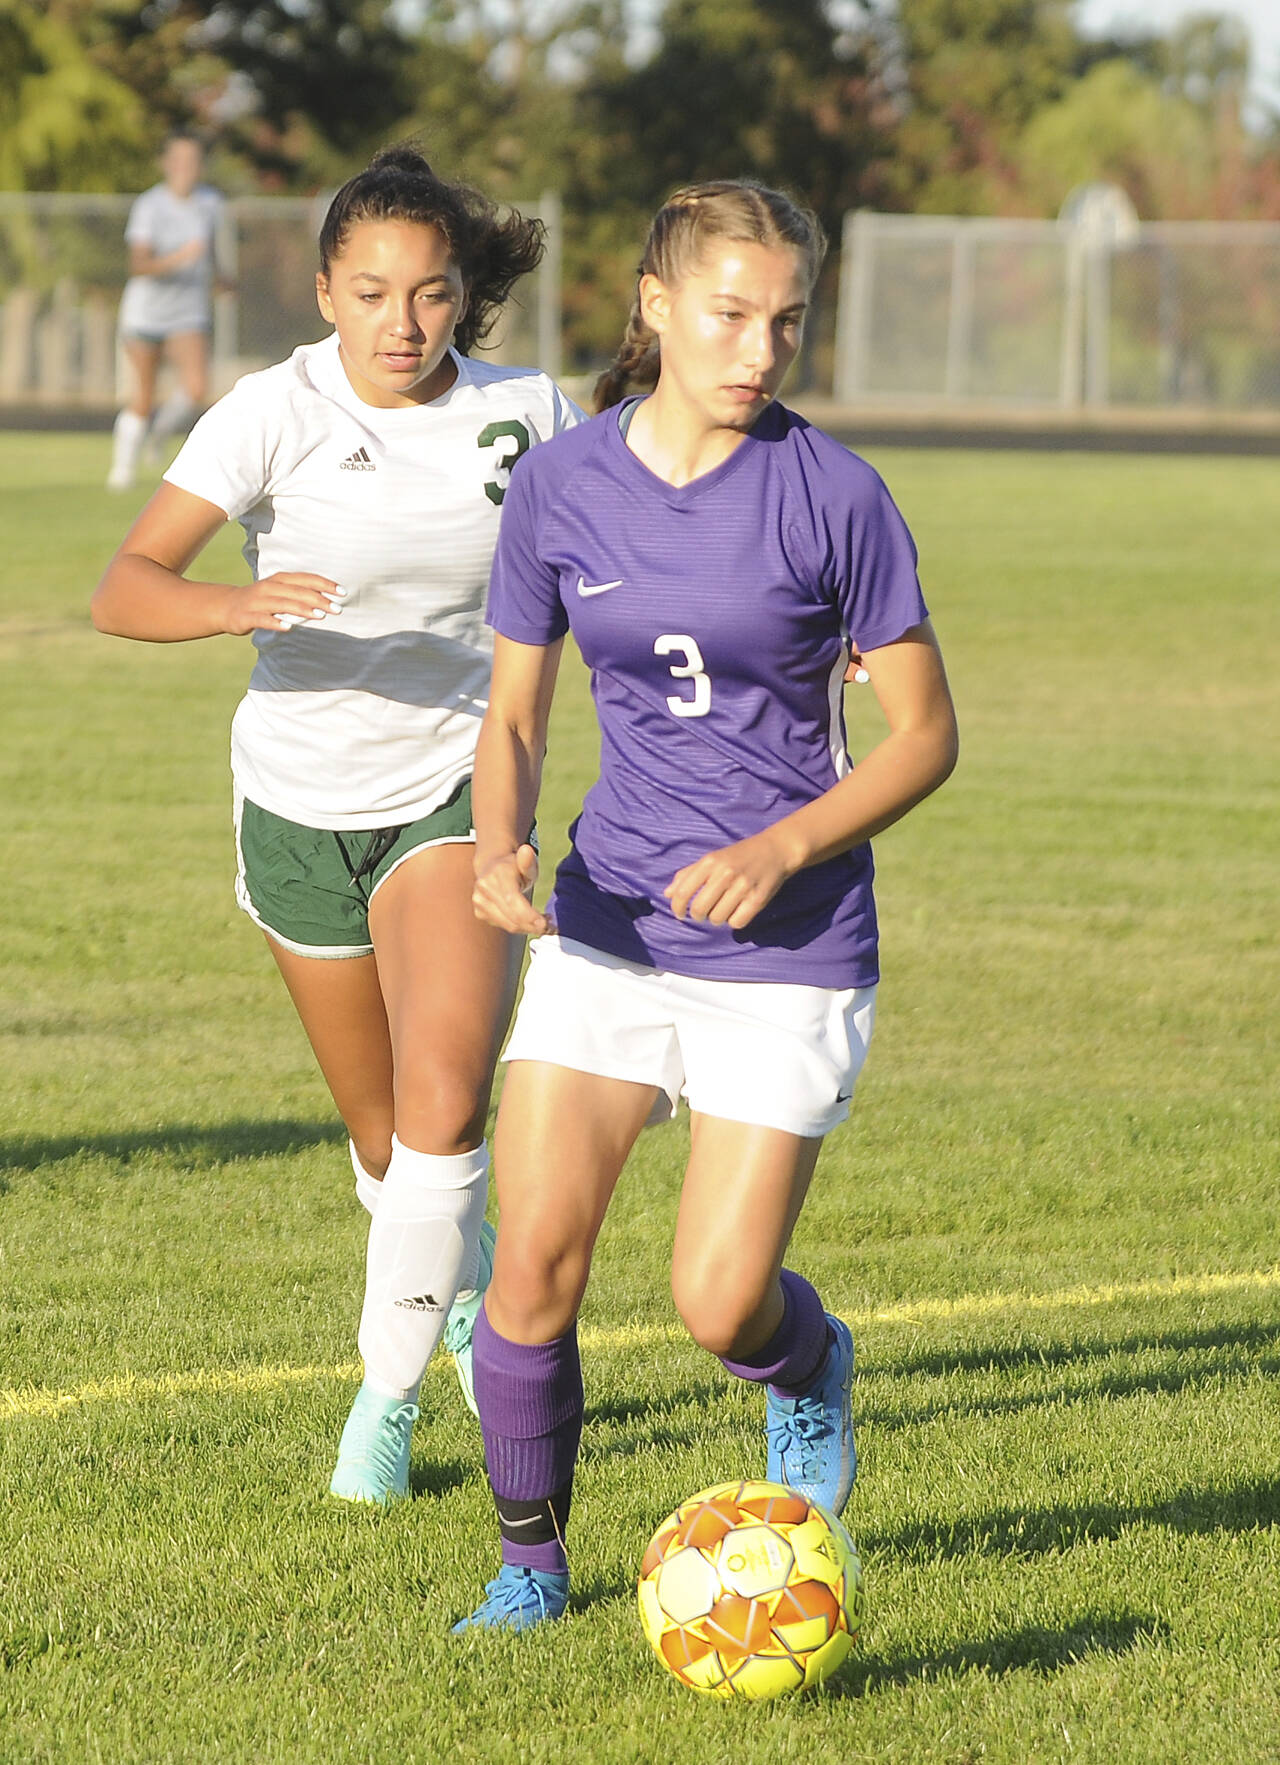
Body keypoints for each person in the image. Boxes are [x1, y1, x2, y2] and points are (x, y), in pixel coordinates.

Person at [455, 179, 959, 1632]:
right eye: (732, 315)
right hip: (610, 922)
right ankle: (529, 1571)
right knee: (531, 1264)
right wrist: (498, 845)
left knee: (717, 1301)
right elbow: (514, 715)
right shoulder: (561, 486)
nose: (760, 350)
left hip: (789, 948)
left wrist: (782, 847)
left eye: (786, 321)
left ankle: (807, 1367)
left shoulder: (834, 494)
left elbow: (924, 735)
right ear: (656, 304)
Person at [92, 145, 583, 1506]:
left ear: (463, 295)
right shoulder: (272, 410)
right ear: (325, 292)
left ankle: (385, 1403)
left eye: (430, 293)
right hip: (299, 806)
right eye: (371, 292)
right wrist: (231, 604)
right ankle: (462, 1295)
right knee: (383, 1144)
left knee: (443, 1107)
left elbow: (631, 548)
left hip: (456, 791)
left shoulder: (528, 412)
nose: (402, 322)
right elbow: (125, 585)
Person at [107, 132, 229, 491]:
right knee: (143, 394)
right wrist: (179, 259)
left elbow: (210, 250)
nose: (186, 168)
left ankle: (159, 435)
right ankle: (122, 470)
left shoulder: (210, 202)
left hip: (188, 312)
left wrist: (221, 278)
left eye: (193, 160)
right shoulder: (149, 206)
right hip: (146, 313)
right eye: (179, 160)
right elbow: (139, 265)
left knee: (195, 388)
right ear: (165, 164)